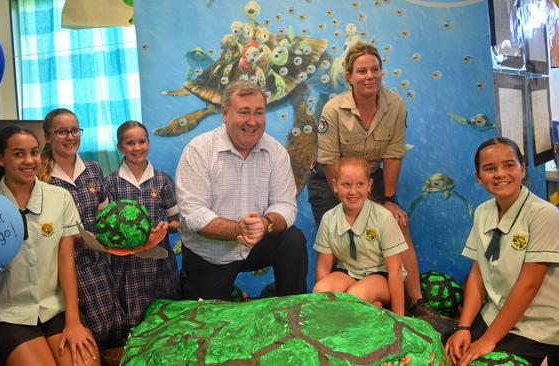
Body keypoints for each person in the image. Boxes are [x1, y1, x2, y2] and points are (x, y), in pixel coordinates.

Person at [308, 40, 430, 315]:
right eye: (362, 71)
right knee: (343, 230)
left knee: (398, 225)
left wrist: (388, 199)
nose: (370, 76)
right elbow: (329, 161)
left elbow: (393, 154)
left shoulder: (395, 105)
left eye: (375, 69)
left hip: (371, 177)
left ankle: (416, 303)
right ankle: (351, 298)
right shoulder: (333, 109)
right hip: (332, 179)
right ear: (349, 76)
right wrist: (344, 197)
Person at [0, 126, 99, 366]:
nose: (28, 160)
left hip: (56, 309)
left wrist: (74, 322)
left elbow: (66, 262)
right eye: (18, 154)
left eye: (34, 152)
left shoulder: (60, 198)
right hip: (10, 314)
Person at [444, 137, 559, 366]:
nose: (500, 174)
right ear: (478, 177)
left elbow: (528, 285)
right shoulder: (482, 212)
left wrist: (488, 340)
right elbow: (477, 274)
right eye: (489, 168)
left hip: (543, 327)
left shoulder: (543, 215)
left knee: (483, 362)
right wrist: (464, 327)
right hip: (497, 313)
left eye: (509, 165)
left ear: (523, 169)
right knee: (452, 352)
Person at [176, 80, 308, 301]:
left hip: (257, 242)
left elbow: (285, 205)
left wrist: (266, 224)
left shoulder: (276, 152)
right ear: (225, 113)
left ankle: (293, 310)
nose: (252, 121)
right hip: (210, 253)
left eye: (259, 112)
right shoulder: (198, 150)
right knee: (205, 328)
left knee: (292, 239)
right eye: (244, 112)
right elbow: (194, 215)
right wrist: (238, 229)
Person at [38, 108, 125, 348]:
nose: (70, 137)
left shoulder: (94, 169)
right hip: (59, 268)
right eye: (62, 131)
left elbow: (105, 217)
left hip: (97, 265)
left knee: (110, 332)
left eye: (74, 130)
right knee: (78, 338)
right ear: (47, 137)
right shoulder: (39, 176)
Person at [103, 120, 181, 333]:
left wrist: (168, 226)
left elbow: (176, 221)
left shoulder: (162, 180)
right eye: (130, 143)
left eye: (142, 141)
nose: (137, 148)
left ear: (148, 142)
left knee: (166, 321)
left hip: (159, 263)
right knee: (134, 324)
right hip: (127, 266)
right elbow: (106, 227)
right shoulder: (110, 183)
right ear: (120, 147)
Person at [313, 156, 406, 315]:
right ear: (335, 185)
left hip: (380, 276)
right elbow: (323, 267)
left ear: (369, 185)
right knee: (321, 290)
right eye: (346, 185)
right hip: (348, 272)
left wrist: (400, 320)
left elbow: (395, 272)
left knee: (356, 297)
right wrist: (323, 310)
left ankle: (375, 306)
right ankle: (373, 307)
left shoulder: (383, 218)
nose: (353, 191)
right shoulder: (329, 218)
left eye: (360, 184)